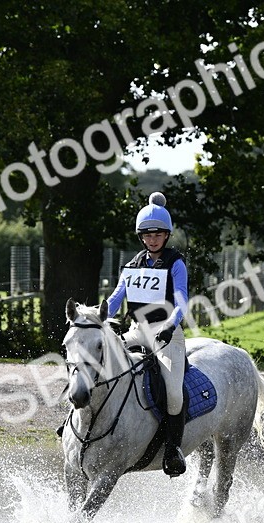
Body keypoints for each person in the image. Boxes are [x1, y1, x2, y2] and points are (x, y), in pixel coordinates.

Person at [104, 192, 190, 477]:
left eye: (158, 235)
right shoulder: (133, 265)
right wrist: (98, 318)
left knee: (174, 392)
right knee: (97, 360)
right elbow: (116, 298)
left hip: (166, 334)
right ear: (141, 237)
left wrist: (171, 325)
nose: (153, 240)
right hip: (137, 331)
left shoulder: (175, 263)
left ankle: (173, 450)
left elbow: (182, 301)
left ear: (166, 235)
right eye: (148, 235)